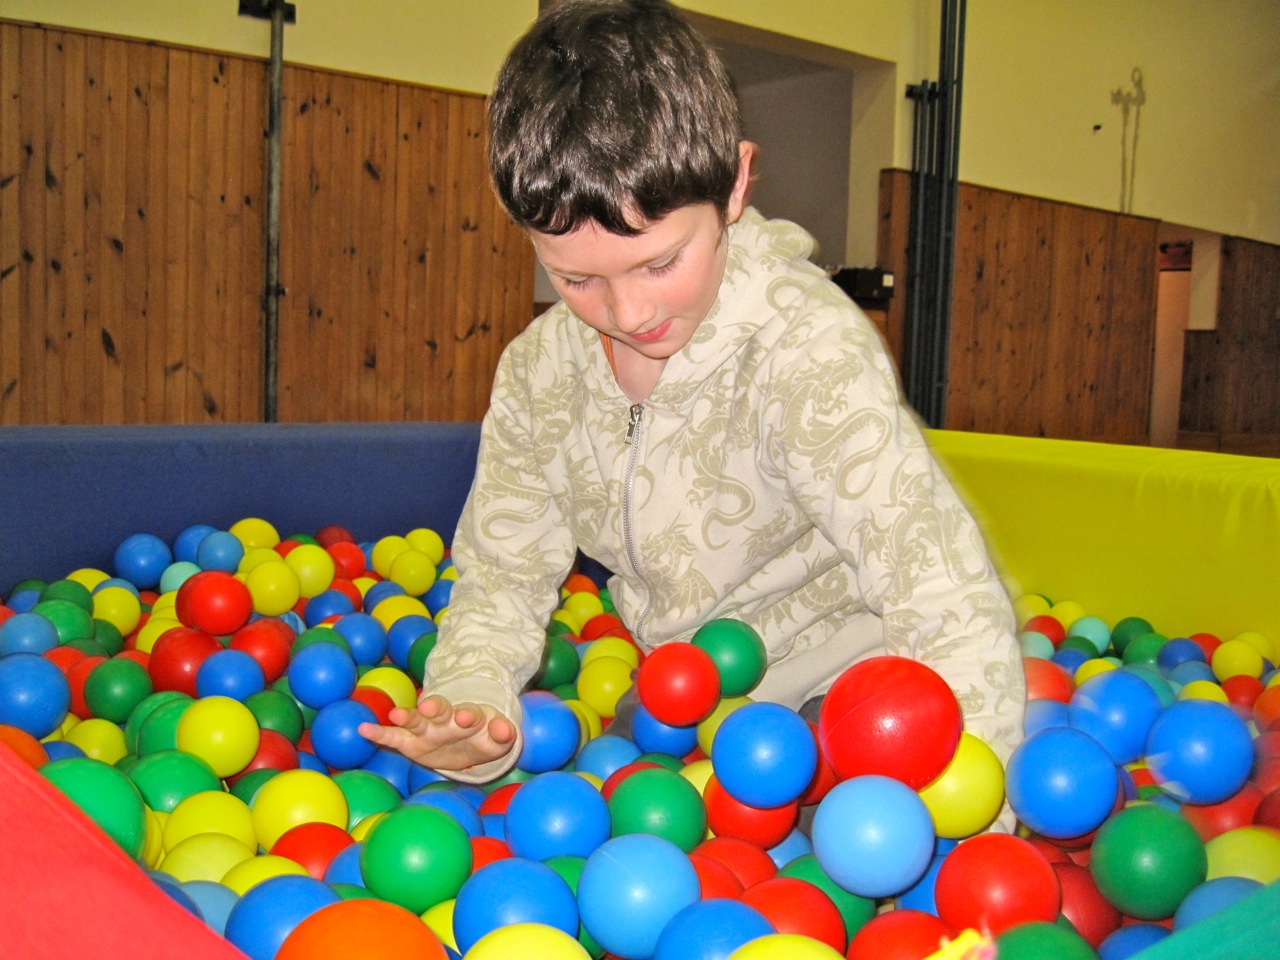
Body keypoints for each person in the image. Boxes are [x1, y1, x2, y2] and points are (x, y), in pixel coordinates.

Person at [360, 0, 1025, 801]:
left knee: (827, 814)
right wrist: (473, 698)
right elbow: (502, 573)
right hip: (686, 696)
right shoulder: (540, 375)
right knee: (614, 809)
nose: (629, 311)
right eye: (576, 278)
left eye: (660, 262)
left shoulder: (803, 346)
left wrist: (977, 790)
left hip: (849, 684)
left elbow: (932, 575)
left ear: (735, 184)